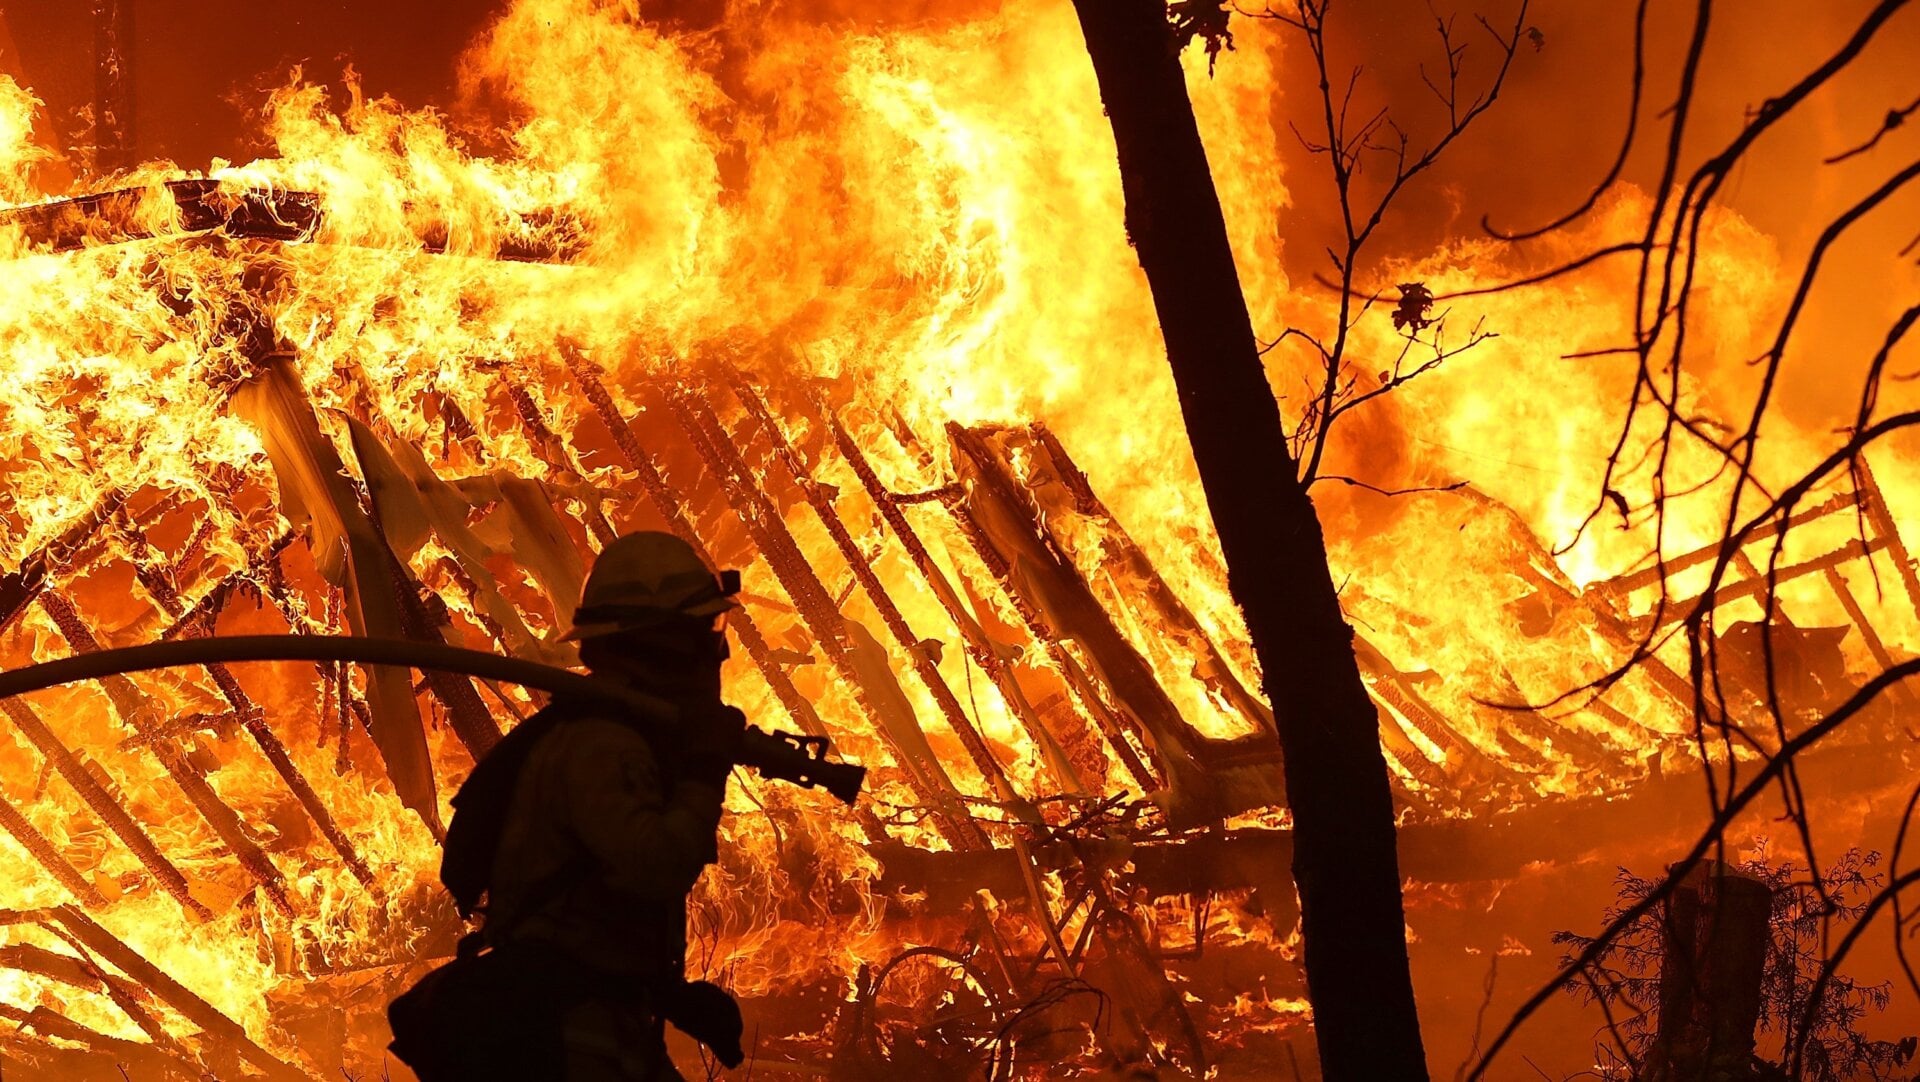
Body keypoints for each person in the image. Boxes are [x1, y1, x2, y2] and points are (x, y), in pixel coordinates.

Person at [481, 530, 746, 1080]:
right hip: (564, 1038)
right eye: (704, 630)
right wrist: (704, 771)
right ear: (664, 644)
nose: (715, 651)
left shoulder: (612, 736)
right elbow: (654, 864)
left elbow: (596, 907)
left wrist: (666, 994)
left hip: (586, 1021)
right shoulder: (603, 745)